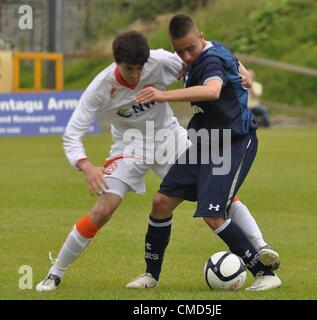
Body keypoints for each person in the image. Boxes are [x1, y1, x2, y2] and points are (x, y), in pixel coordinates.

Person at [35, 30, 275, 291]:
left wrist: (239, 69)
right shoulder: (101, 87)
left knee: (219, 195)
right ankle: (55, 273)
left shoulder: (160, 61)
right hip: (130, 145)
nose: (137, 75)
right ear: (117, 63)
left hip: (169, 139)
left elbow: (205, 51)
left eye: (141, 68)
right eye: (130, 70)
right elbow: (72, 133)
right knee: (105, 208)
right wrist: (86, 166)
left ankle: (261, 247)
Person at [126, 14, 281, 291]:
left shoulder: (209, 60)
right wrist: (244, 74)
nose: (185, 55)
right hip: (203, 142)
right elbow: (243, 73)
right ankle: (151, 274)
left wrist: (162, 95)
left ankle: (265, 272)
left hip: (233, 142)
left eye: (190, 49)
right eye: (179, 51)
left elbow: (211, 91)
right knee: (161, 202)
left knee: (214, 214)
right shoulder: (213, 50)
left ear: (201, 37)